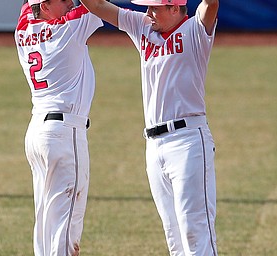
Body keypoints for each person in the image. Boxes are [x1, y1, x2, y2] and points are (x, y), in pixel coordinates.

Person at [78, 0, 219, 255]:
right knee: (174, 237)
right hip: (154, 146)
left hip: (188, 141)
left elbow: (211, 4)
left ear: (175, 8)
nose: (148, 13)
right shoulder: (143, 27)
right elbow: (97, 5)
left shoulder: (195, 31)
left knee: (195, 231)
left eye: (155, 7)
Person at [14, 0, 103, 255]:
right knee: (65, 229)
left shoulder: (23, 28)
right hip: (63, 134)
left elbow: (25, 7)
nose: (70, 3)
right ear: (44, 5)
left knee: (45, 226)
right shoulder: (70, 26)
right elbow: (96, 4)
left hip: (37, 133)